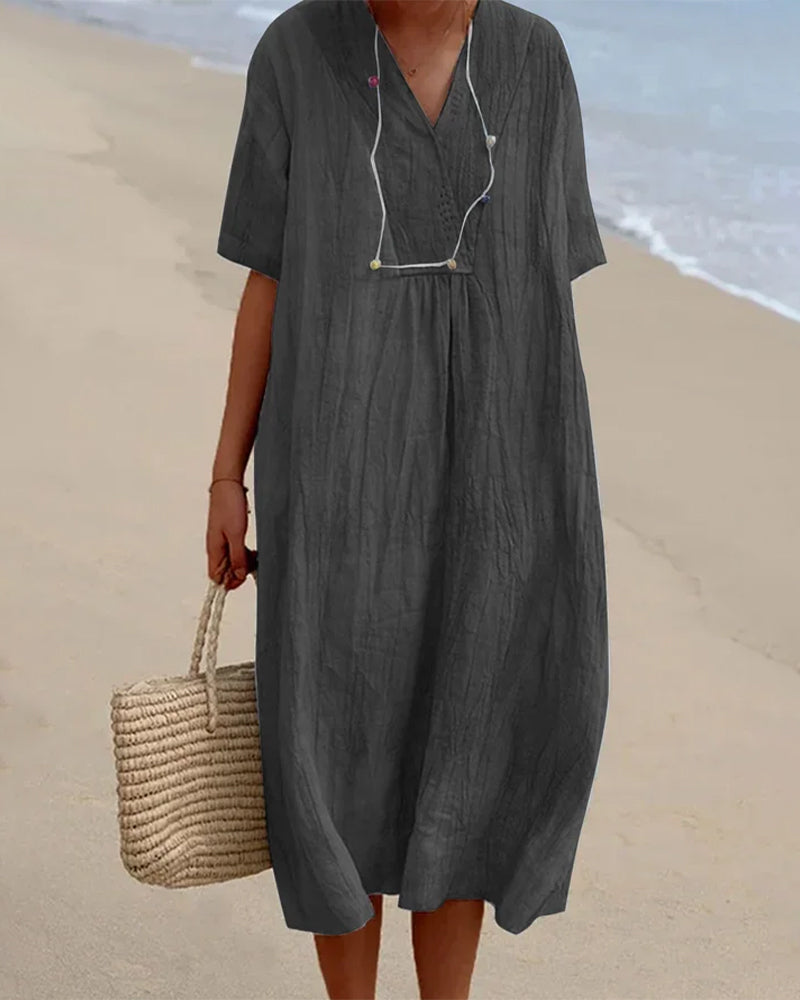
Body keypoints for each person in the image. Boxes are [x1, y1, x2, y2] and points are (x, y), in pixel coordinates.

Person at [206, 0, 609, 997]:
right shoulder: (295, 52)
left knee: (476, 722)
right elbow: (268, 277)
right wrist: (225, 474)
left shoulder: (532, 61)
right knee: (330, 727)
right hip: (333, 470)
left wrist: (543, 485)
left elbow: (538, 287)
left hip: (498, 469)